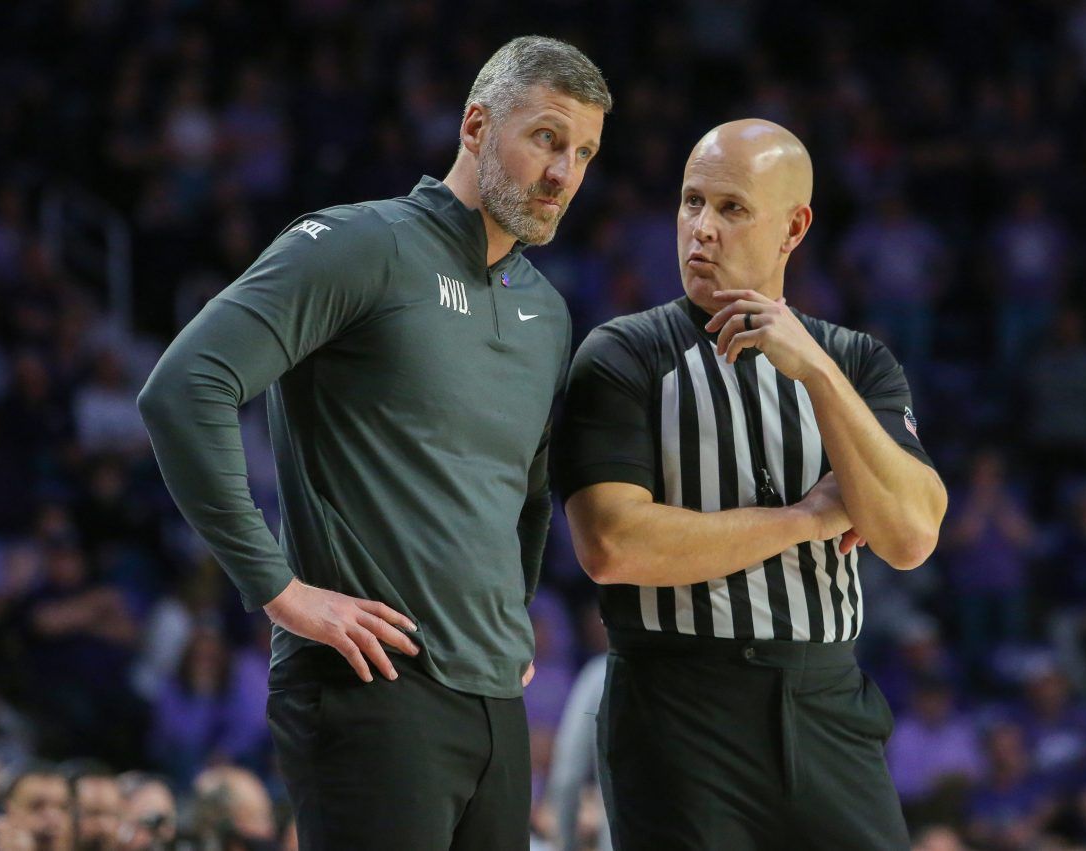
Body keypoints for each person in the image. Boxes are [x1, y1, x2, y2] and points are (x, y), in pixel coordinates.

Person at [137, 35, 610, 850]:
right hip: (369, 685)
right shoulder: (362, 244)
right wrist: (280, 590)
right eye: (546, 137)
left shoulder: (547, 310)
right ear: (474, 126)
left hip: (496, 699)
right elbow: (185, 388)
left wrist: (511, 616)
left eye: (584, 152)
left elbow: (528, 488)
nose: (564, 173)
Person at [556, 120, 947, 850]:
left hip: (826, 700)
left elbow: (911, 534)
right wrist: (810, 516)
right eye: (690, 202)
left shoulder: (856, 362)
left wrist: (817, 372)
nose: (700, 229)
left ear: (793, 227)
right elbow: (613, 544)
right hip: (677, 708)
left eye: (731, 208)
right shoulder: (620, 356)